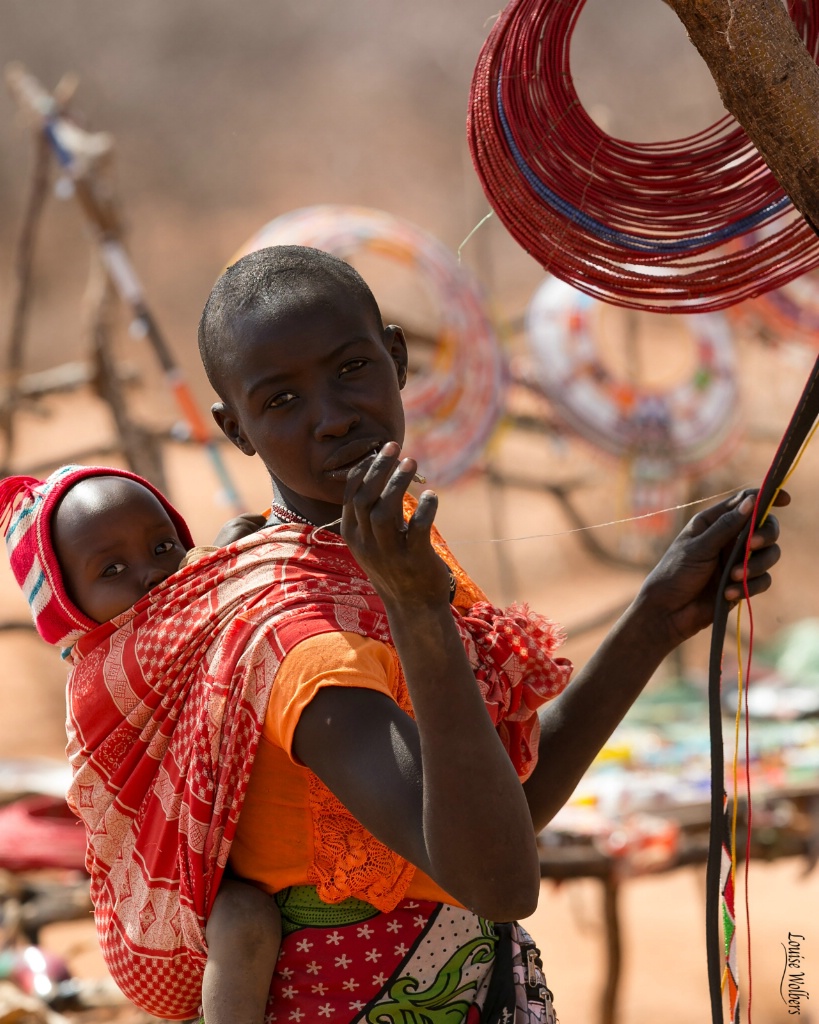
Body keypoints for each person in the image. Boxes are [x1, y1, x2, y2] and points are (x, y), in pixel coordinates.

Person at [187, 243, 786, 1022]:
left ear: (396, 358)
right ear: (235, 429)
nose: (331, 417)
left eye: (350, 369)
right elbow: (499, 881)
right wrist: (417, 612)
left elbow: (505, 808)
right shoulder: (291, 632)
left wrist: (655, 619)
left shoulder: (389, 553)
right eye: (280, 402)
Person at [0, 464, 280, 1024]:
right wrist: (231, 556)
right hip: (157, 925)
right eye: (113, 568)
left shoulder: (184, 618)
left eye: (163, 545)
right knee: (246, 919)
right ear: (73, 610)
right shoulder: (105, 674)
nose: (154, 574)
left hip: (219, 869)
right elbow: (198, 622)